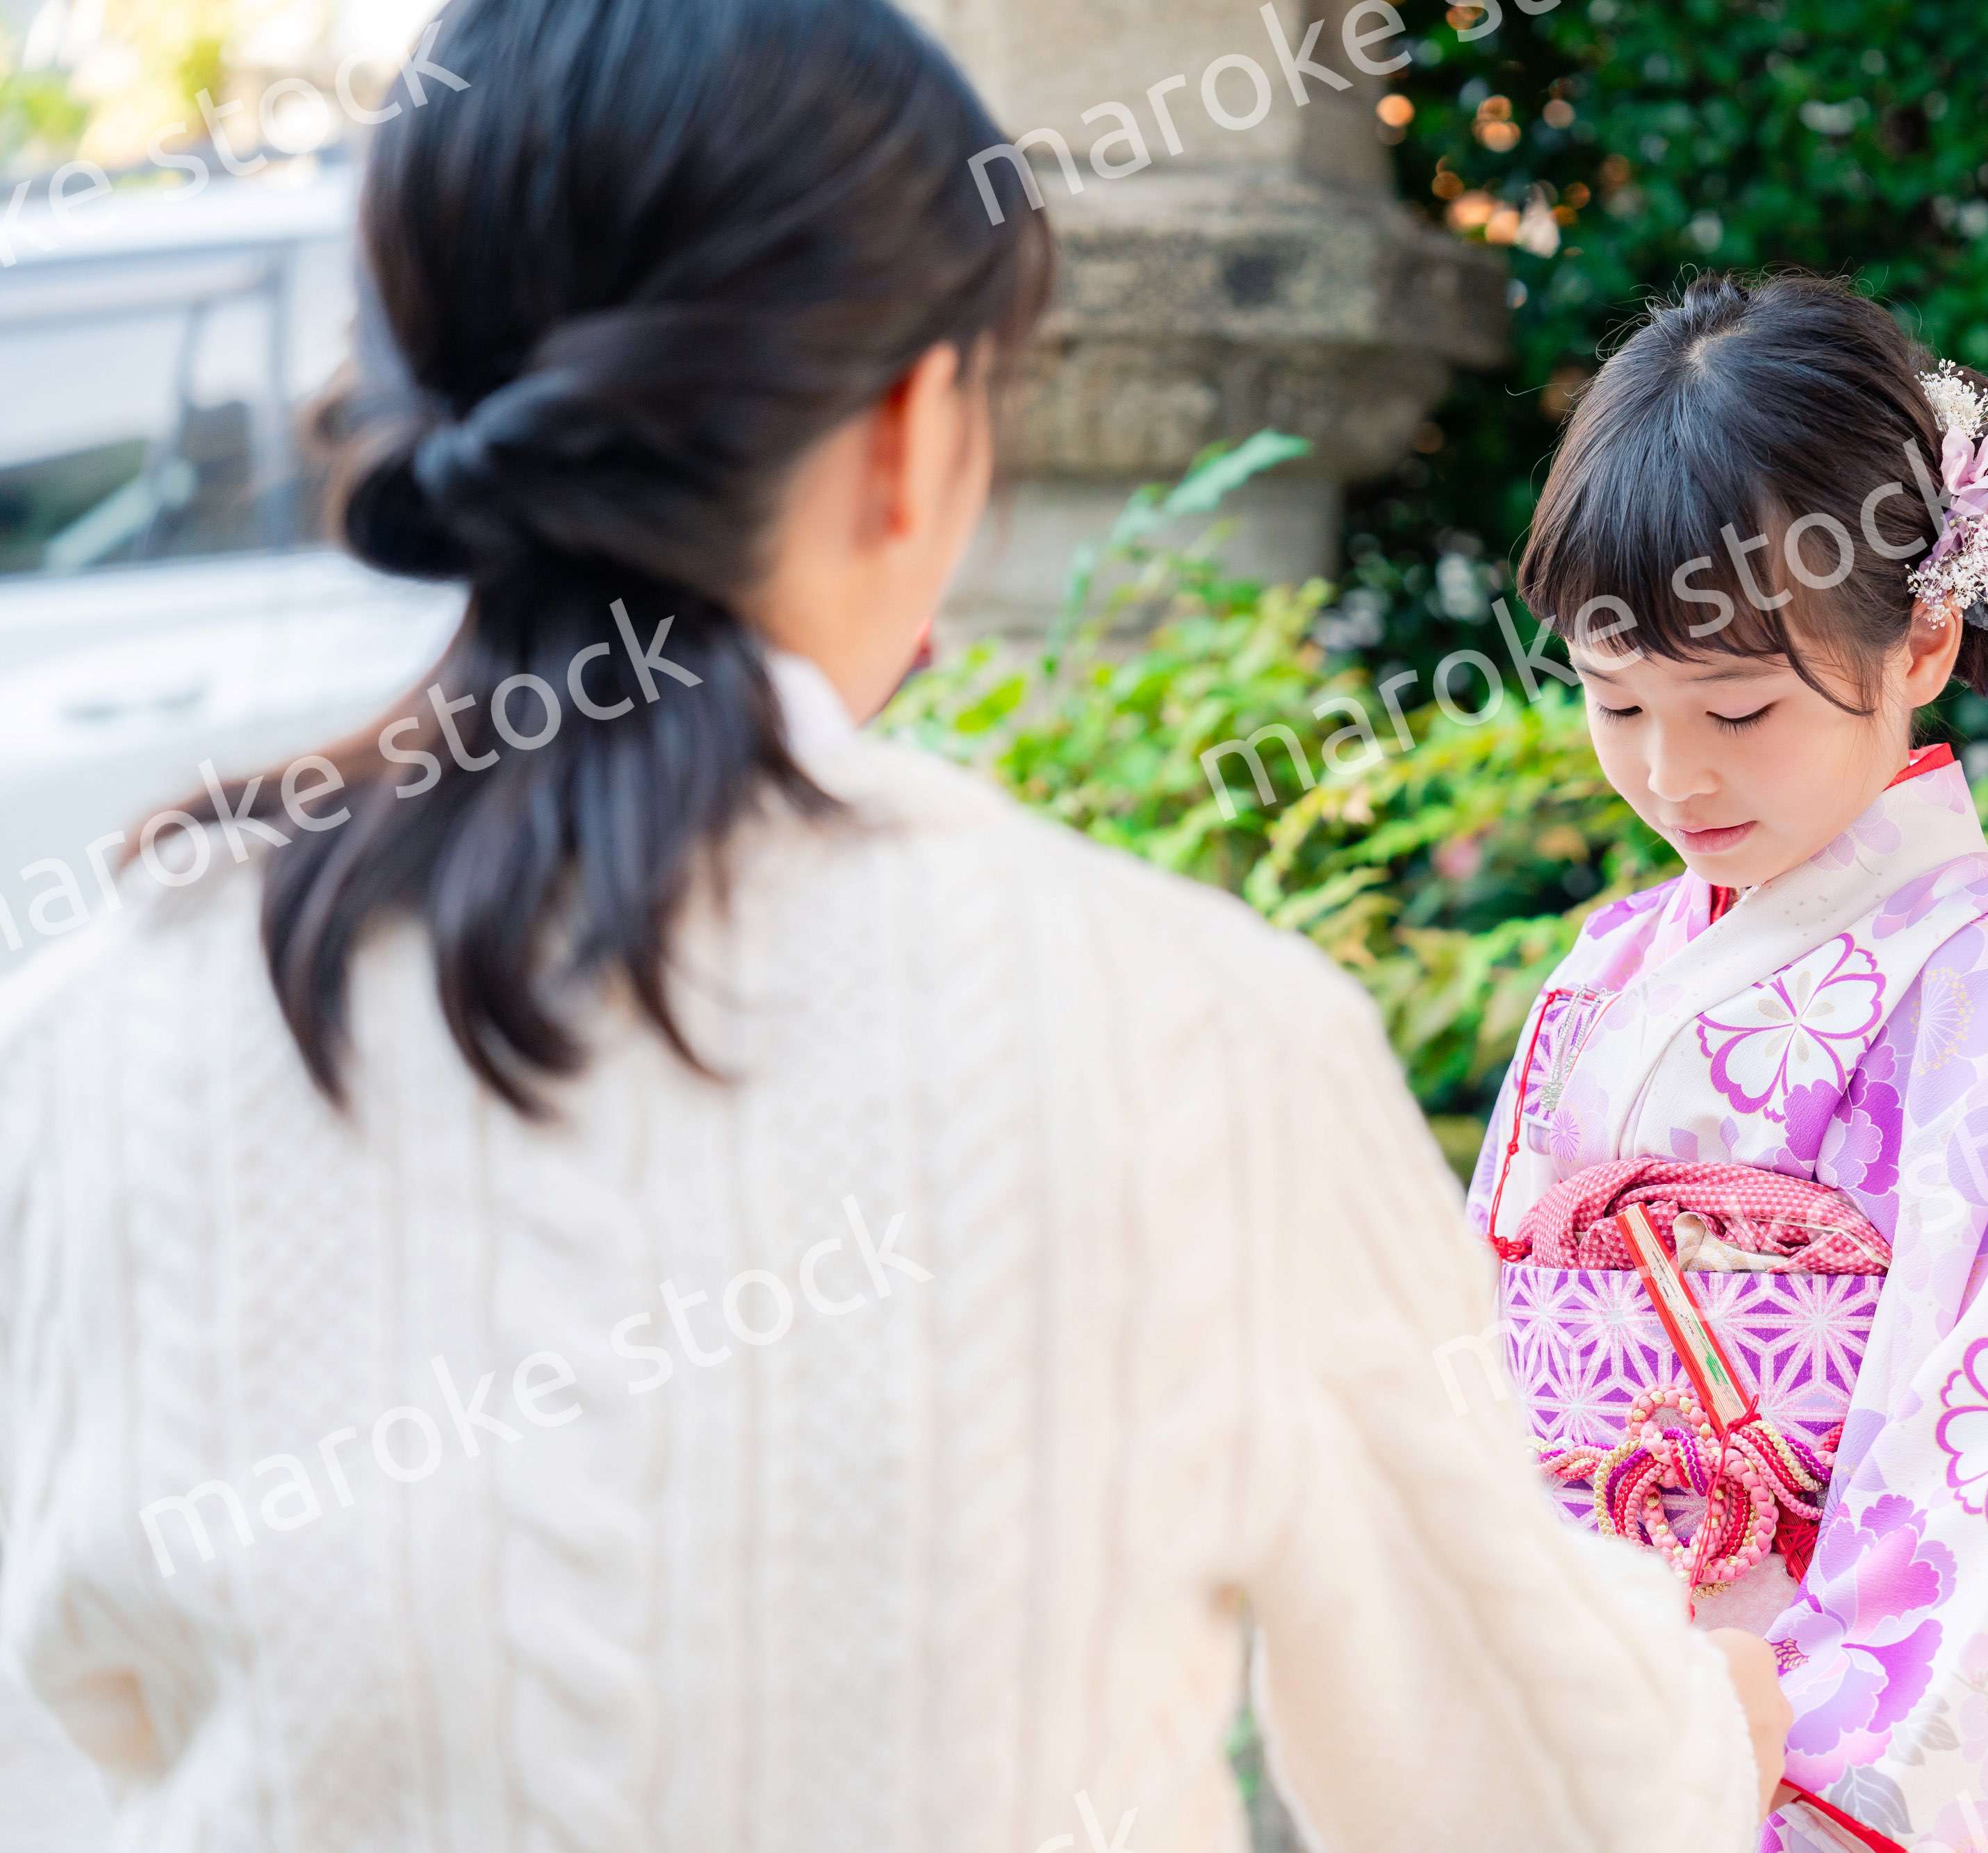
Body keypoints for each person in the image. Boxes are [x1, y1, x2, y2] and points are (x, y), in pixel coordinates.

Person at [0, 3, 1792, 1847]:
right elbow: (1531, 1793)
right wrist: (1712, 1713)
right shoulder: (1194, 1035)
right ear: (912, 428)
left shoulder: (90, 1036)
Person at [1469, 274, 1988, 1852]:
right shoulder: (1604, 968)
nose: (1671, 771)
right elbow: (1477, 1361)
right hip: (1589, 1716)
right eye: (1616, 703)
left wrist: (1801, 1770)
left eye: (1734, 705)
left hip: (1835, 1738)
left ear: (1921, 633)